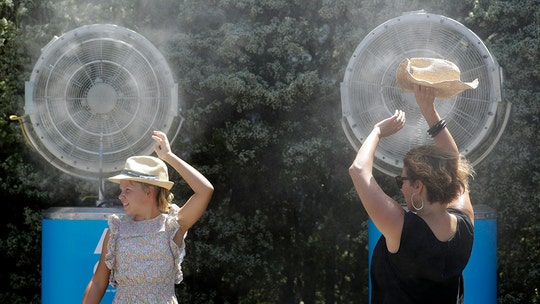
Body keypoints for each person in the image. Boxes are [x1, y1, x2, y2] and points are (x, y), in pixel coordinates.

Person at [349, 84, 475, 303]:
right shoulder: (465, 222)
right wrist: (429, 111)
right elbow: (452, 162)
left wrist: (377, 131)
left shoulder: (400, 228)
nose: (400, 187)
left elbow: (358, 170)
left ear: (418, 186)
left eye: (402, 181)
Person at [82, 130, 214, 304]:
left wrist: (168, 156)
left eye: (127, 190)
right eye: (121, 191)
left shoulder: (173, 226)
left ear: (149, 192)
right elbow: (98, 282)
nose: (121, 196)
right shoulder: (116, 229)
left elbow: (205, 191)